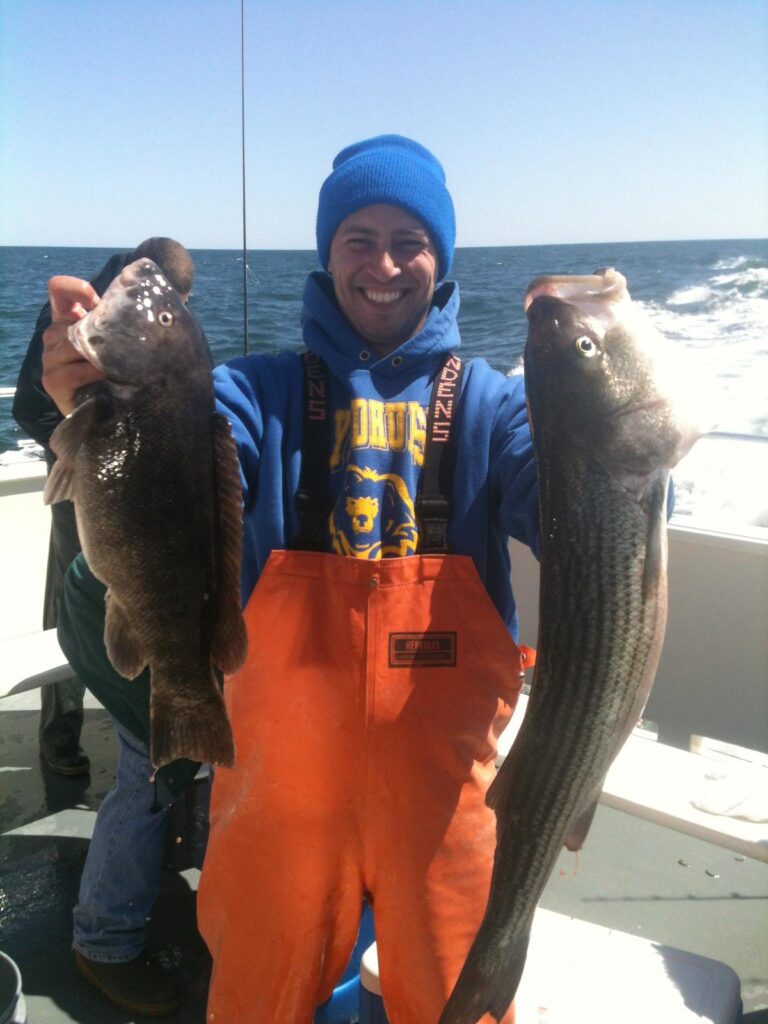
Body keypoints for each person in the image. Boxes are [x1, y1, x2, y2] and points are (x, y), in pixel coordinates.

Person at [43, 136, 540, 1023]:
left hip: (444, 798)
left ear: (443, 255)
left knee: (465, 1000)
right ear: (325, 251)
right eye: (358, 237)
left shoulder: (494, 408)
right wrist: (89, 398)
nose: (383, 263)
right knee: (256, 997)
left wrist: (616, 437)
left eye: (408, 239)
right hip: (273, 788)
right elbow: (178, 454)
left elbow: (570, 506)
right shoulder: (249, 391)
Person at [13, 237, 197, 777]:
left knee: (146, 600)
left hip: (137, 494)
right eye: (178, 303)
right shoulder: (75, 324)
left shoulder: (159, 331)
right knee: (74, 606)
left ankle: (147, 728)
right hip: (79, 494)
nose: (181, 313)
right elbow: (29, 407)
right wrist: (81, 436)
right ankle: (60, 737)